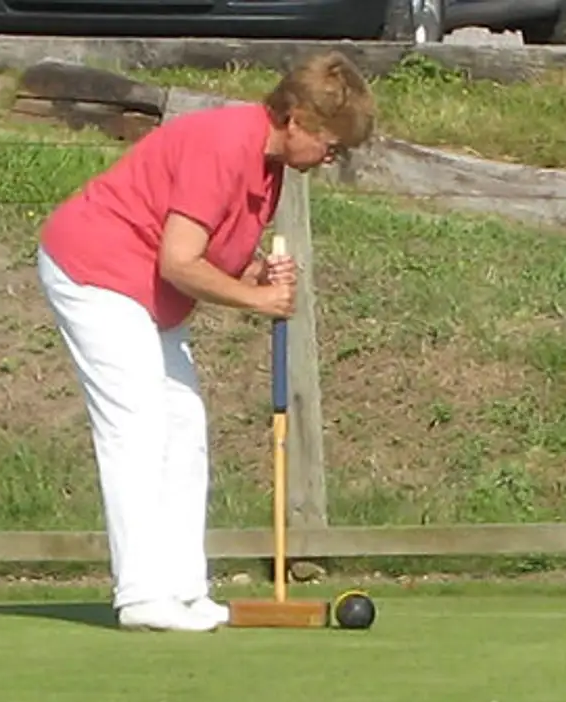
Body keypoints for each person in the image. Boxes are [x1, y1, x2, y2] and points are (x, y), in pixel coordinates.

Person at [35, 52, 378, 632]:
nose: (330, 157)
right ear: (294, 119)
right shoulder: (225, 145)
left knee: (184, 425)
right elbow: (179, 261)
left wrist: (254, 281)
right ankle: (142, 594)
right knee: (137, 423)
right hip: (93, 268)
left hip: (147, 288)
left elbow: (207, 261)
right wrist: (258, 301)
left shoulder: (270, 170)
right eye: (330, 143)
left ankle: (183, 588)